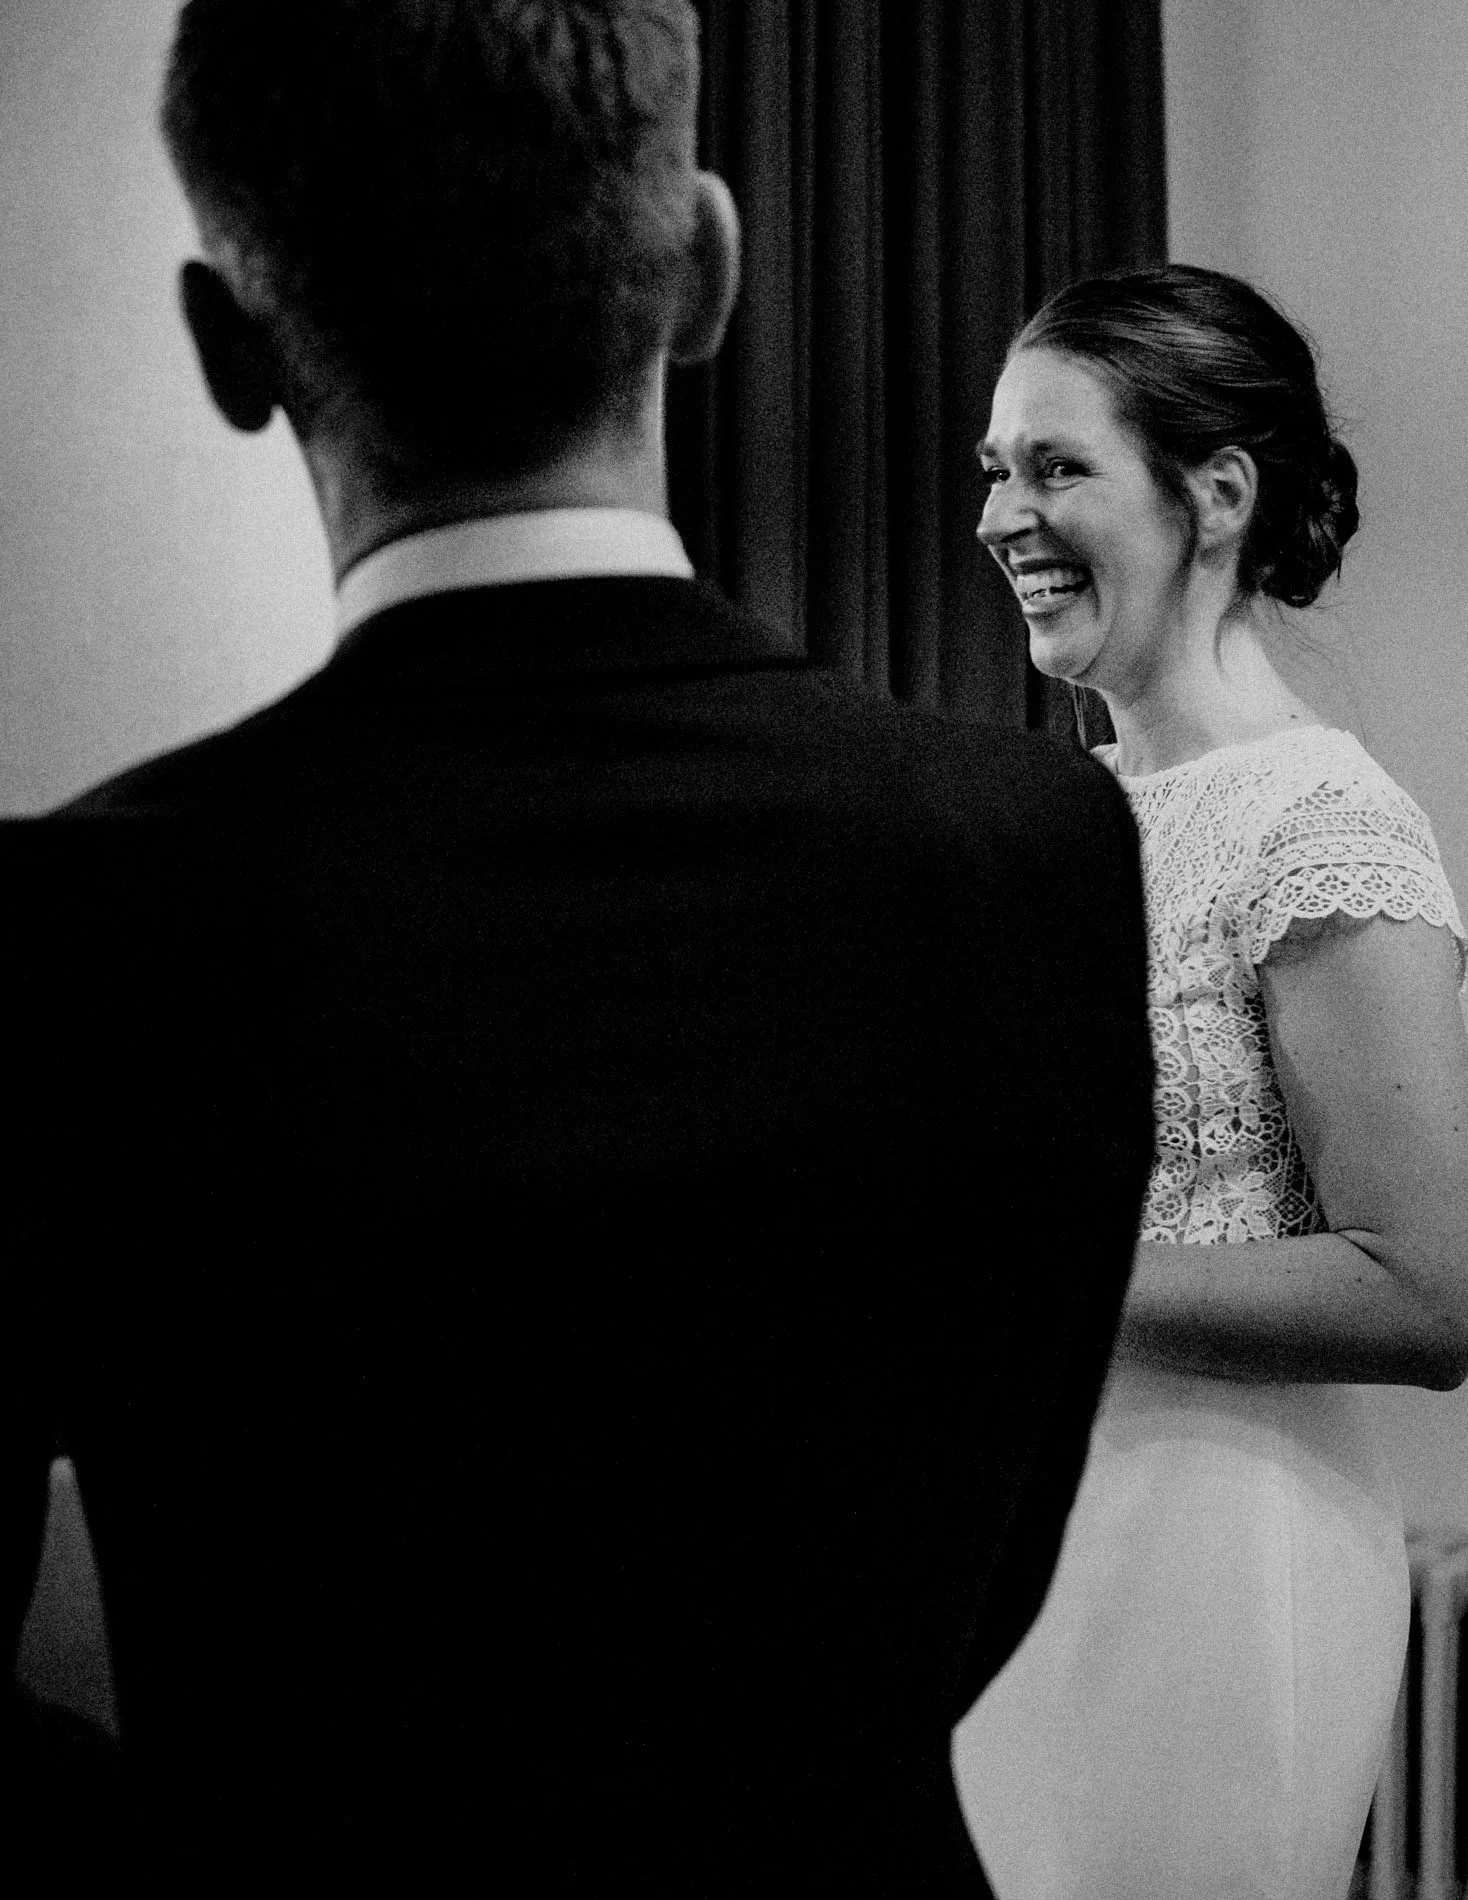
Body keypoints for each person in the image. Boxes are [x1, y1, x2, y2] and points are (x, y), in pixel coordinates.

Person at [0, 3, 1157, 1890]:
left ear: (226, 344)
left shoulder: (64, 935)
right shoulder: (1030, 853)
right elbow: (981, 1584)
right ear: (703, 265)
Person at [953, 262, 1468, 1900]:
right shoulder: (1064, 812)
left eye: (1054, 466)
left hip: (1222, 1562)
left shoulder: (1322, 822)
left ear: (1219, 494)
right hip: (1027, 1550)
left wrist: (1028, 1273)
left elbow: (1431, 1290)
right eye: (991, 469)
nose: (998, 516)